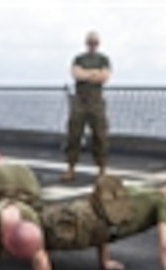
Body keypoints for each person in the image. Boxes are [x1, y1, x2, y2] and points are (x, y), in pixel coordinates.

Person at [39, 176, 166, 270]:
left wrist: (104, 261)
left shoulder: (139, 191)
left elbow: (107, 217)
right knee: (29, 237)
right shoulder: (163, 202)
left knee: (34, 218)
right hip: (78, 228)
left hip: (78, 211)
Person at [62, 31, 112, 182]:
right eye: (90, 42)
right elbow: (76, 74)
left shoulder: (103, 59)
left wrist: (88, 74)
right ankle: (71, 168)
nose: (92, 45)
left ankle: (102, 168)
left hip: (96, 101)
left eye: (95, 42)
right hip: (80, 100)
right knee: (74, 134)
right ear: (86, 43)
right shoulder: (79, 58)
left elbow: (104, 77)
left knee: (100, 135)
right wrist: (94, 74)